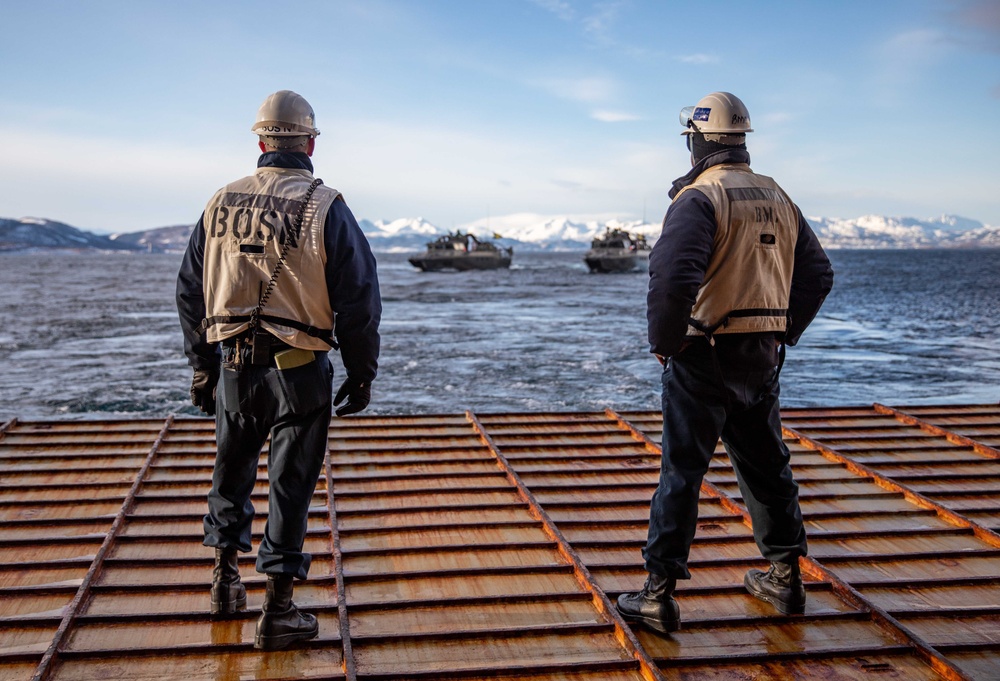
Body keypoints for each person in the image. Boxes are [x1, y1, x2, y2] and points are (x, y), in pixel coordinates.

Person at [617, 92, 834, 634]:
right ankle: (785, 577)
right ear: (742, 140)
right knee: (766, 467)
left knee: (682, 474)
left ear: (696, 139)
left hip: (703, 355)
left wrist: (666, 343)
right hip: (760, 357)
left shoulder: (700, 196)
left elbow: (672, 281)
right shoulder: (778, 196)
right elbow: (818, 274)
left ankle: (658, 593)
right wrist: (781, 330)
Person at [176, 90, 381, 650]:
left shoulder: (219, 202)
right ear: (311, 143)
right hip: (300, 370)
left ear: (261, 141)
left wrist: (203, 368)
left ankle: (223, 585)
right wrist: (362, 373)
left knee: (230, 470)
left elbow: (191, 291)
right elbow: (358, 297)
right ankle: (280, 609)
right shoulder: (325, 203)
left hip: (235, 367)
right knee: (290, 486)